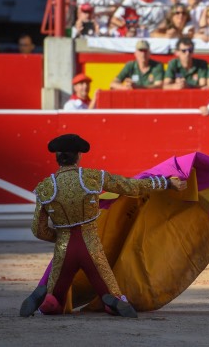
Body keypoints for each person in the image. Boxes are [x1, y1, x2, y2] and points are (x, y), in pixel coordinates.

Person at [21, 133, 185, 317]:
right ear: (79, 156)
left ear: (57, 157)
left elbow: (38, 229)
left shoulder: (45, 187)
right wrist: (166, 182)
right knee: (109, 291)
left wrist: (61, 237)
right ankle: (112, 301)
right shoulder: (92, 177)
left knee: (56, 300)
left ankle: (46, 300)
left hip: (64, 248)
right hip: (90, 246)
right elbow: (131, 186)